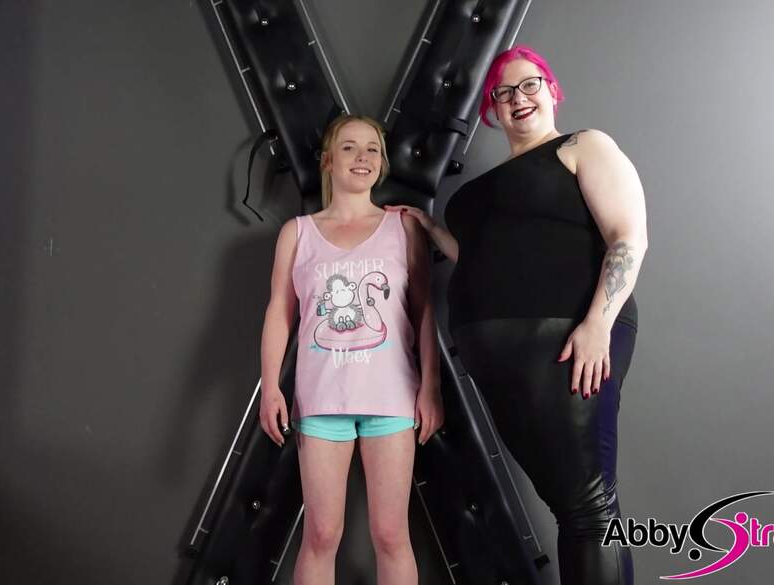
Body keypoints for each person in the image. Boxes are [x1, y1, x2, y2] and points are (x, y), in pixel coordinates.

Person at [388, 45, 647, 585]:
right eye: (503, 92)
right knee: (572, 509)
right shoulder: (481, 191)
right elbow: (482, 257)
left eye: (529, 84)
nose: (517, 98)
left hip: (570, 340)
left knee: (589, 508)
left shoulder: (582, 146)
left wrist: (597, 325)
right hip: (499, 363)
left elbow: (627, 238)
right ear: (493, 108)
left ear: (551, 90)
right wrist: (431, 230)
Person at [259, 114, 444, 585]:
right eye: (349, 147)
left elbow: (423, 311)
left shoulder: (403, 227)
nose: (362, 157)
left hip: (392, 399)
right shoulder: (297, 233)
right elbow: (279, 312)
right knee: (321, 535)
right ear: (327, 160)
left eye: (372, 149)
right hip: (322, 400)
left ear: (381, 164)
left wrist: (431, 388)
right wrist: (270, 388)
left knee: (391, 535)